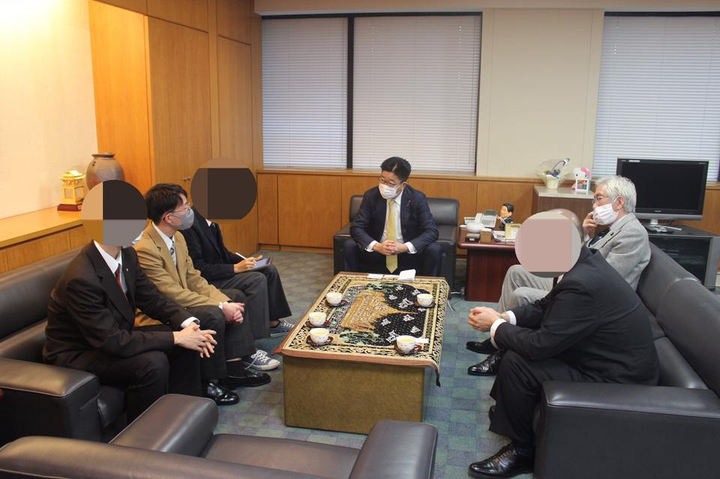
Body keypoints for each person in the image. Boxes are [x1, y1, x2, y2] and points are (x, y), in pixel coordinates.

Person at [466, 210, 658, 478]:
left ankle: (522, 452)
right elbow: (545, 306)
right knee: (514, 344)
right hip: (598, 356)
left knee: (519, 362)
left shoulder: (582, 283)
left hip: (616, 378)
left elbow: (538, 346)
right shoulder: (582, 261)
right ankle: (511, 412)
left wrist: (495, 325)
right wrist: (506, 317)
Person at [467, 175, 651, 375]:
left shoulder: (633, 233)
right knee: (516, 271)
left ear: (619, 202)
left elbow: (604, 278)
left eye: (599, 199)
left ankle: (502, 345)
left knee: (521, 295)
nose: (594, 205)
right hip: (577, 279)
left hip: (588, 298)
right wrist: (584, 235)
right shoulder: (611, 228)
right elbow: (587, 258)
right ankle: (498, 334)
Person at [135, 184, 279, 405]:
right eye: (185, 207)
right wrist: (220, 306)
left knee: (236, 297)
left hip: (182, 299)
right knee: (213, 313)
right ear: (169, 217)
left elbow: (193, 278)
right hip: (163, 311)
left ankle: (234, 367)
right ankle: (209, 382)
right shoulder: (146, 249)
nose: (190, 211)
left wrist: (225, 301)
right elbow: (171, 293)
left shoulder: (177, 237)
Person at [44, 241, 215, 421]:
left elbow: (151, 298)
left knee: (186, 343)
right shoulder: (81, 278)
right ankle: (147, 433)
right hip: (80, 352)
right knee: (152, 363)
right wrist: (176, 337)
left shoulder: (127, 254)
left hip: (112, 336)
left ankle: (184, 417)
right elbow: (112, 341)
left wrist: (187, 323)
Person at [181, 206, 294, 336]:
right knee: (257, 279)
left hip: (219, 271)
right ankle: (256, 336)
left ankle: (273, 323)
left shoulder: (210, 221)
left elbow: (223, 254)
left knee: (268, 269)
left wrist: (246, 261)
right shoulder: (190, 226)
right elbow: (199, 268)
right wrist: (235, 268)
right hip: (208, 280)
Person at [344, 157, 440, 276]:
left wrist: (404, 247)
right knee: (350, 245)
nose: (384, 186)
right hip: (377, 251)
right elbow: (356, 227)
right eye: (382, 180)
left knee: (434, 249)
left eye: (391, 183)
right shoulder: (371, 196)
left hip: (406, 253)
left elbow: (431, 231)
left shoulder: (417, 198)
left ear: (403, 185)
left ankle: (428, 287)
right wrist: (377, 246)